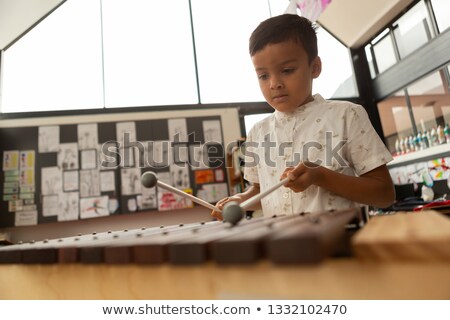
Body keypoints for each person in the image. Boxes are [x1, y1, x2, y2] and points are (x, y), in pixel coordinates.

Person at [211, 14, 395, 220]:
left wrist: (321, 176)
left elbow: (385, 194)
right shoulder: (257, 132)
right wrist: (241, 201)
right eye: (263, 76)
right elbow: (260, 190)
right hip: (282, 246)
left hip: (338, 243)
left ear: (315, 67)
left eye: (287, 70)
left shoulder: (347, 115)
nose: (274, 84)